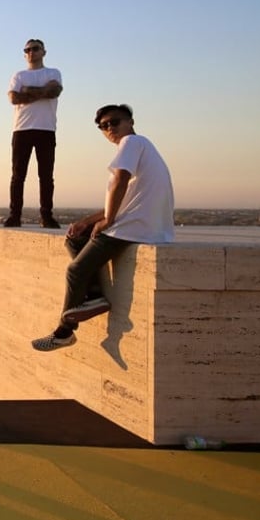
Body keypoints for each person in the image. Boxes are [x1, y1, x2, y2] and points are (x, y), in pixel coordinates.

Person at [32, 105, 174, 352]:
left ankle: (63, 332)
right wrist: (87, 221)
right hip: (138, 223)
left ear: (130, 121)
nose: (109, 128)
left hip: (134, 228)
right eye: (103, 126)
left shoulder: (130, 142)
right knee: (75, 238)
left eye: (114, 122)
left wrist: (107, 222)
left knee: (76, 271)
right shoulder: (142, 146)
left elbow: (120, 180)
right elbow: (123, 198)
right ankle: (95, 294)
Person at [6, 38, 62, 229]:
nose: (31, 52)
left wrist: (28, 92)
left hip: (46, 129)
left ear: (43, 52)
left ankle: (47, 216)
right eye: (27, 49)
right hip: (21, 129)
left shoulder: (53, 72)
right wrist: (42, 91)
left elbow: (54, 92)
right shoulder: (19, 75)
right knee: (17, 176)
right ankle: (15, 215)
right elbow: (14, 98)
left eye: (35, 49)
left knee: (46, 176)